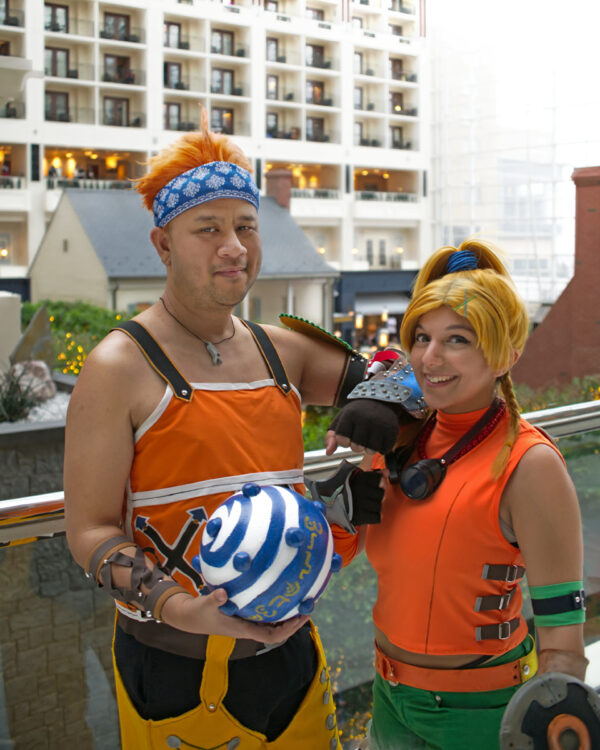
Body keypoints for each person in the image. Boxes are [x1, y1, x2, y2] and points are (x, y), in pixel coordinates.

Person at [63, 116, 384, 750]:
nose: (234, 246)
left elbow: (401, 381)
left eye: (246, 226)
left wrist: (378, 412)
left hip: (292, 655)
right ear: (163, 245)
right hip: (174, 671)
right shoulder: (118, 366)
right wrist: (182, 607)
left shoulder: (284, 351)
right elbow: (90, 532)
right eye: (208, 229)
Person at [326, 239, 587, 750]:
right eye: (421, 337)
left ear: (506, 355)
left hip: (481, 714)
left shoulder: (530, 464)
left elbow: (562, 637)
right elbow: (338, 555)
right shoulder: (400, 440)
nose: (430, 357)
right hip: (389, 698)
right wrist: (340, 507)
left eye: (458, 340)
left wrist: (559, 722)